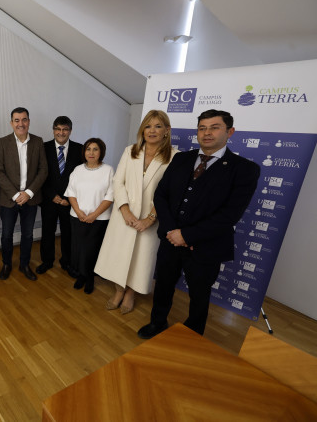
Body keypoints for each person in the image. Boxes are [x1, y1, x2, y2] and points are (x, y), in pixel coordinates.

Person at [138, 109, 260, 339]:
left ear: (230, 132)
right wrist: (174, 231)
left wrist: (187, 235)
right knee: (163, 285)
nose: (207, 133)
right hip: (170, 240)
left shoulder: (244, 169)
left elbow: (230, 214)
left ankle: (192, 335)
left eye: (214, 127)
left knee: (199, 294)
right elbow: (161, 194)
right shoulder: (181, 159)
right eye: (202, 128)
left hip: (206, 247)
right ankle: (157, 322)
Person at [94, 110, 176, 314]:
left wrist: (150, 218)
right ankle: (119, 290)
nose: (152, 130)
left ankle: (130, 293)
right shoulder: (130, 150)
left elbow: (171, 192)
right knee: (119, 256)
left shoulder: (175, 157)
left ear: (167, 130)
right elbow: (118, 182)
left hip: (150, 220)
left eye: (158, 126)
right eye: (148, 126)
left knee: (140, 260)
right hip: (124, 216)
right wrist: (125, 210)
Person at [0, 107, 48, 281]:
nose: (21, 123)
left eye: (24, 120)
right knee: (6, 234)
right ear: (11, 123)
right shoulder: (3, 142)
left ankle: (24, 264)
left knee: (28, 234)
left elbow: (43, 170)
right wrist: (16, 195)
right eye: (17, 120)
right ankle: (6, 263)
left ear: (29, 122)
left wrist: (29, 193)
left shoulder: (38, 142)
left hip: (30, 200)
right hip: (9, 199)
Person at [64, 138, 114, 294]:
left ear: (101, 152)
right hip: (77, 216)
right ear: (84, 152)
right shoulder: (78, 170)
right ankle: (81, 275)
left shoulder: (108, 170)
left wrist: (94, 214)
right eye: (88, 149)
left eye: (95, 149)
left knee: (92, 249)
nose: (91, 153)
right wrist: (78, 212)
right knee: (78, 248)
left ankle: (90, 277)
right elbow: (70, 192)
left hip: (98, 219)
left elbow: (110, 195)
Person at [36, 116, 83, 276]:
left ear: (70, 131)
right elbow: (39, 175)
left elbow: (81, 177)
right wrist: (53, 196)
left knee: (68, 233)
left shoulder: (80, 149)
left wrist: (68, 198)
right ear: (53, 130)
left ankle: (67, 262)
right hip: (49, 199)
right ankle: (47, 261)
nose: (61, 133)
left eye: (65, 129)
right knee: (47, 232)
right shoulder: (43, 148)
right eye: (58, 129)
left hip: (70, 201)